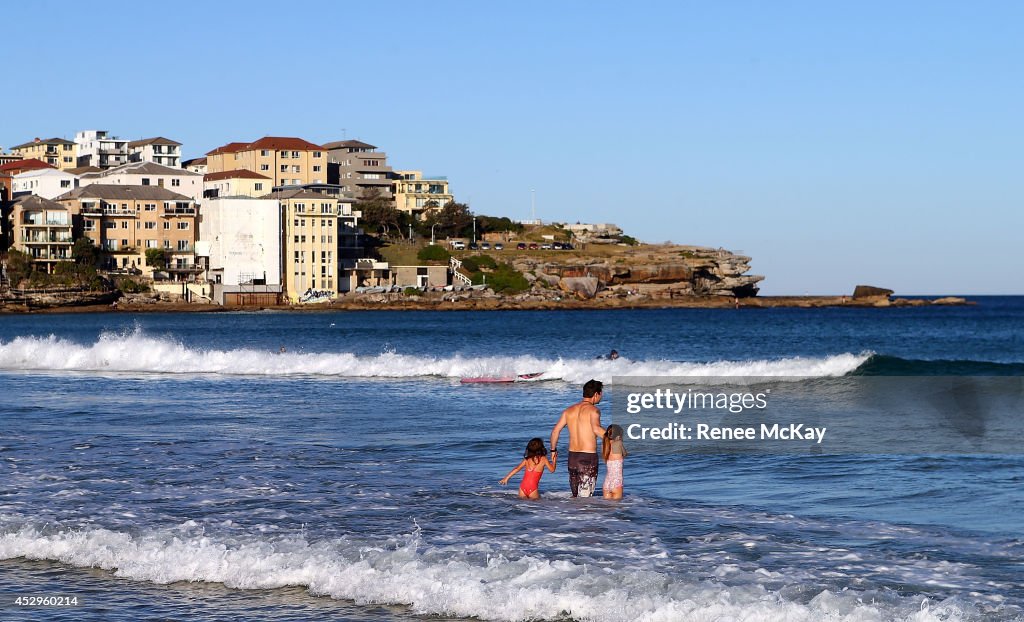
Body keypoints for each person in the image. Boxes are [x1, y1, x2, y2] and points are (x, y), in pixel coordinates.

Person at [550, 379, 606, 497]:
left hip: (572, 457)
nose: (601, 396)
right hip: (587, 457)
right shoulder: (594, 410)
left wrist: (553, 450)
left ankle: (571, 515)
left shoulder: (569, 410)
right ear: (596, 394)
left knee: (575, 496)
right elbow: (596, 429)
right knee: (585, 498)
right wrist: (614, 440)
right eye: (601, 393)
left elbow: (555, 431)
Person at [602, 424, 628, 499]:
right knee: (616, 508)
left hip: (607, 483)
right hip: (616, 481)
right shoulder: (618, 443)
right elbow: (625, 453)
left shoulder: (605, 445)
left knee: (606, 507)